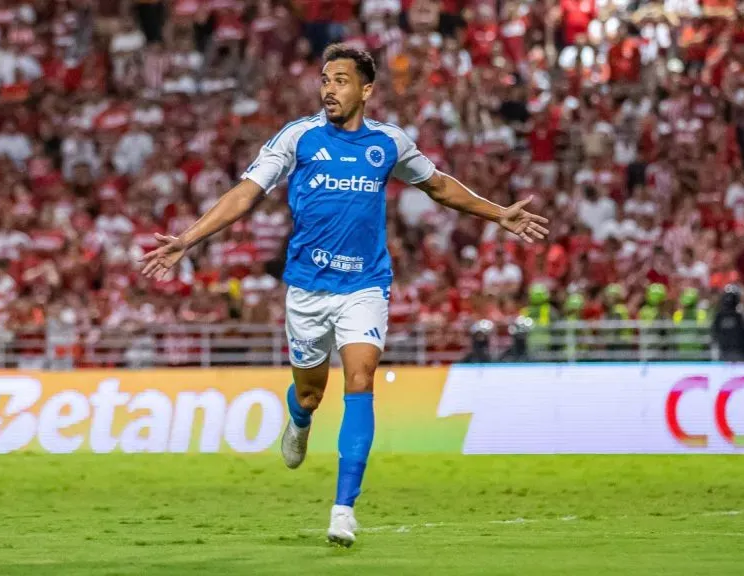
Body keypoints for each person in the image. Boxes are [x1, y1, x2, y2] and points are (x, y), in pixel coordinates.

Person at [138, 44, 549, 547]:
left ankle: (342, 509)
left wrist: (497, 212)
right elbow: (246, 193)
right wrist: (188, 238)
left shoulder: (388, 144)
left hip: (365, 287)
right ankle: (300, 418)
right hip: (308, 290)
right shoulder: (300, 137)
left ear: (366, 89)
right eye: (324, 79)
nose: (328, 88)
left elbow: (439, 187)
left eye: (339, 80)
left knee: (360, 377)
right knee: (311, 391)